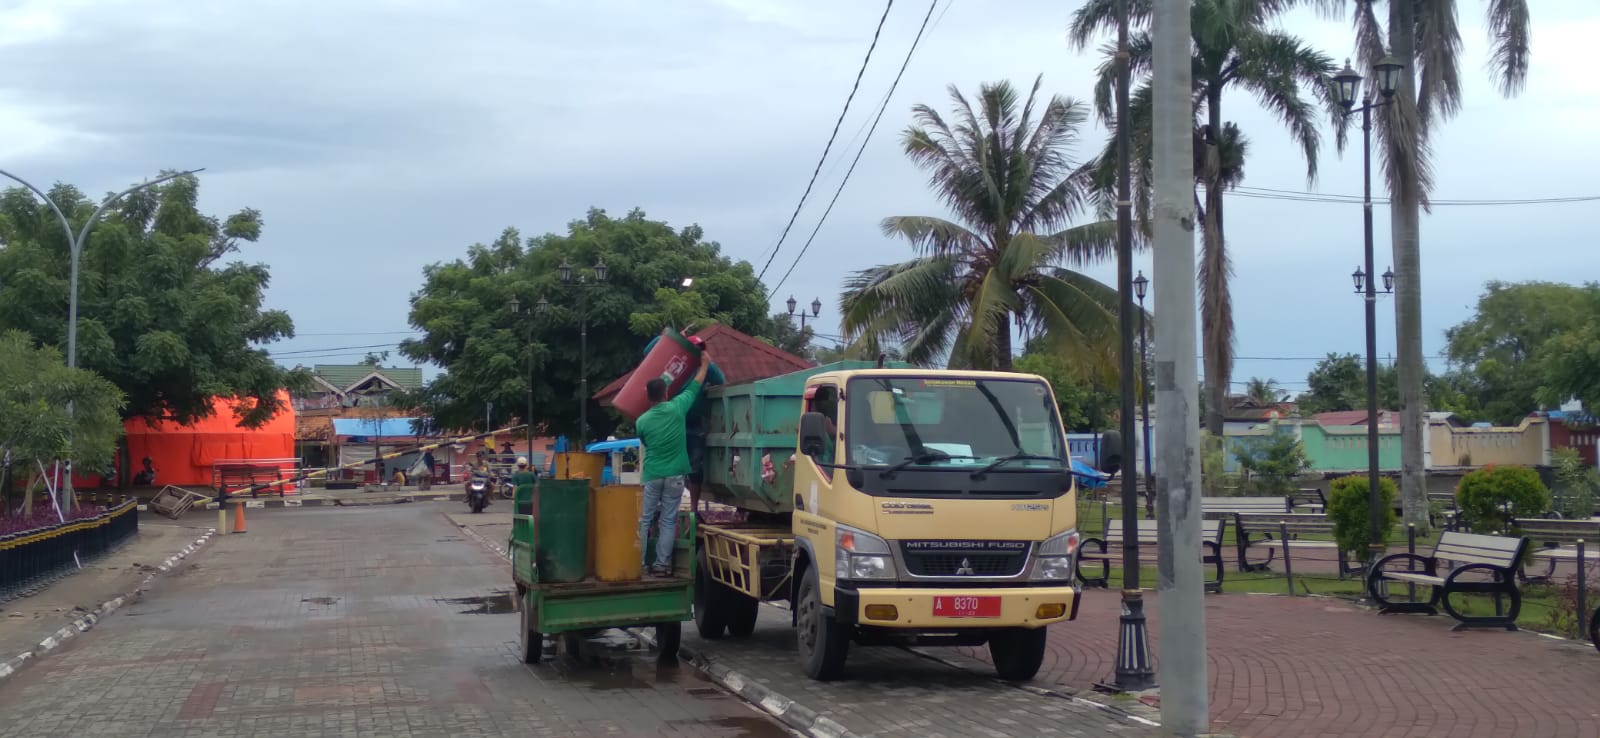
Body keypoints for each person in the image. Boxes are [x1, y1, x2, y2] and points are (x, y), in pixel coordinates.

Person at [635, 351, 711, 577]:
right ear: (666, 392)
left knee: (646, 518)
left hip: (652, 474)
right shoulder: (678, 407)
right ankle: (661, 565)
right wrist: (704, 365)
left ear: (648, 397)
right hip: (676, 474)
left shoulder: (642, 421)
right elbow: (695, 386)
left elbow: (645, 442)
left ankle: (638, 563)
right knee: (668, 520)